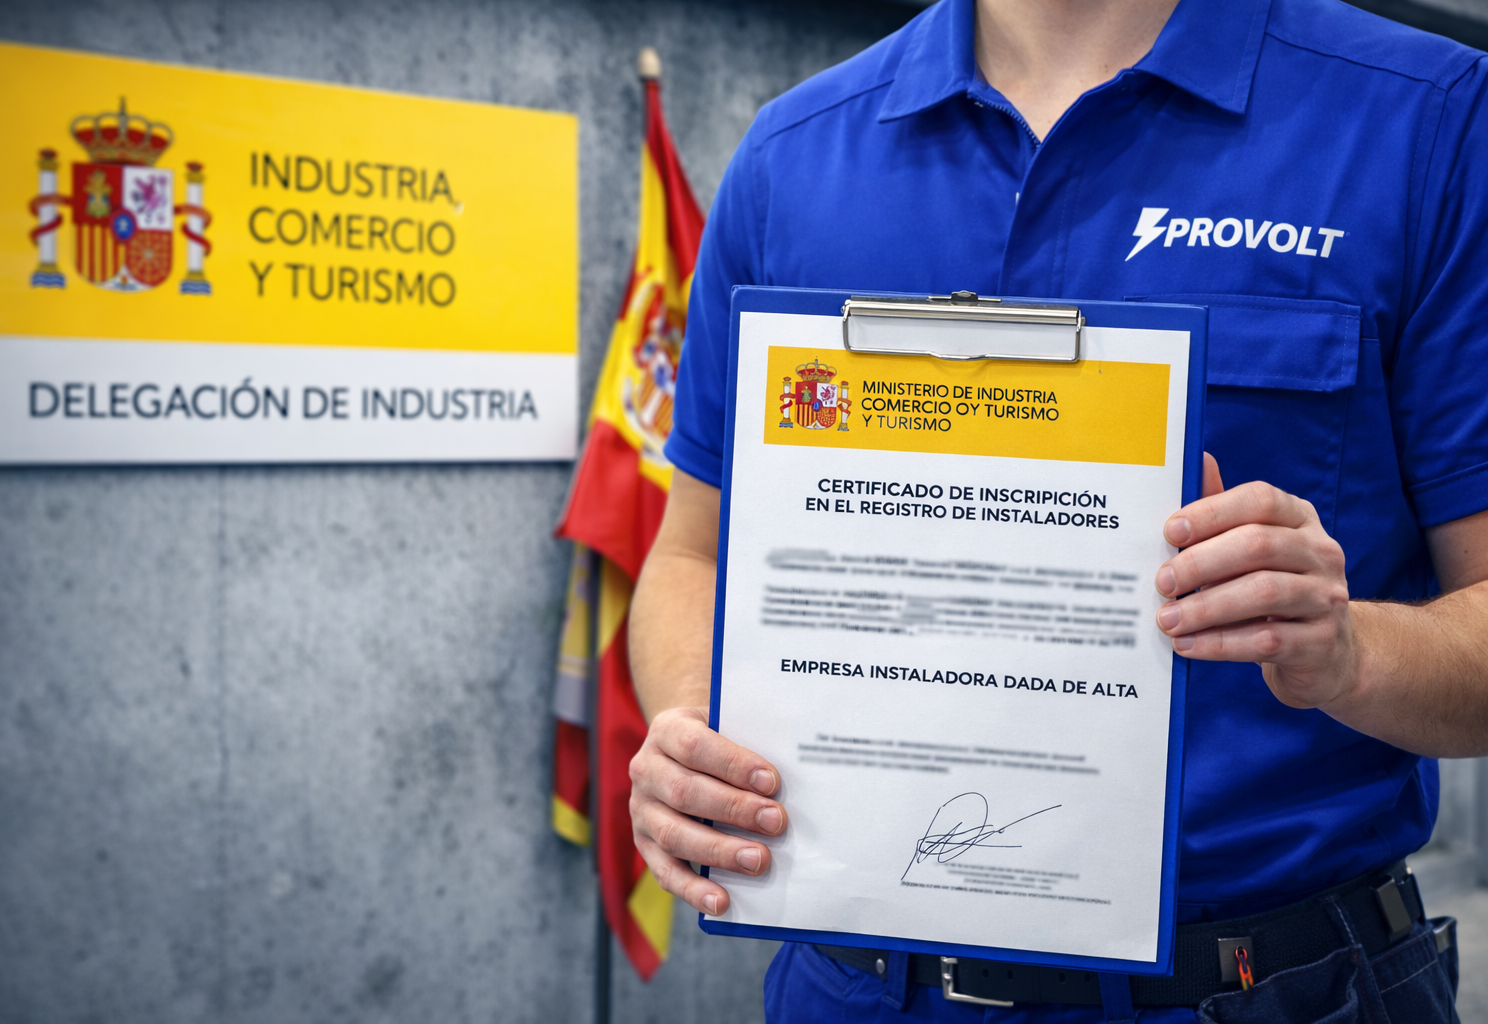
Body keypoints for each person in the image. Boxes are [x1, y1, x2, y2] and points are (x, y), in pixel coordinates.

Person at [626, 0, 1488, 1018]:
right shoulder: (793, 156)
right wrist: (691, 727)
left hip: (1275, 989)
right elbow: (691, 556)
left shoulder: (1423, 121)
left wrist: (1350, 652)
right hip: (854, 990)